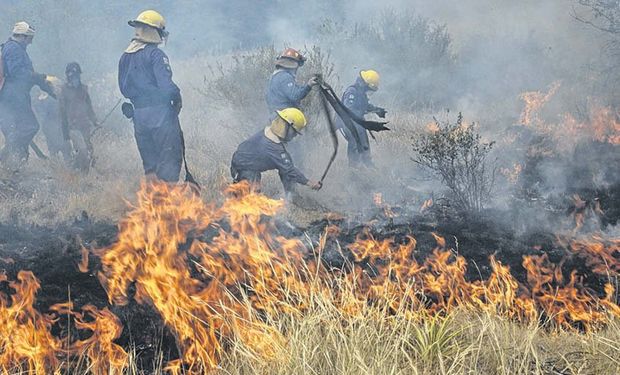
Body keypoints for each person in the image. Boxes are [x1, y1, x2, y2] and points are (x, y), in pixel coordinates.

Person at [118, 10, 183, 182]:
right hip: (159, 115)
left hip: (139, 117)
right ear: (154, 31)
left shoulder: (125, 56)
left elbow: (123, 89)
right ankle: (166, 205)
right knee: (169, 160)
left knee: (150, 166)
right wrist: (177, 96)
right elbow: (166, 86)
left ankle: (152, 205)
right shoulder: (155, 54)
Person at [0, 21, 56, 169]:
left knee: (20, 135)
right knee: (30, 126)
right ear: (22, 37)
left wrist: (47, 86)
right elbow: (17, 73)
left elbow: (27, 76)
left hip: (15, 98)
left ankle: (16, 172)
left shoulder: (15, 48)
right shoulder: (13, 49)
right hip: (11, 99)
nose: (30, 42)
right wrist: (40, 77)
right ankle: (4, 156)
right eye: (29, 38)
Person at [231, 107, 321, 196]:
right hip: (244, 171)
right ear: (288, 127)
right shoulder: (274, 148)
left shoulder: (268, 131)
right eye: (294, 133)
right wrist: (310, 183)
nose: (293, 136)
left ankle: (292, 196)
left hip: (242, 165)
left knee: (285, 170)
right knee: (251, 198)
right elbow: (290, 171)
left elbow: (286, 168)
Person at [265, 48, 319, 168]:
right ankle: (296, 181)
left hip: (278, 120)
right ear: (293, 65)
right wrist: (308, 85)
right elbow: (295, 95)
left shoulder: (276, 77)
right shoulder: (285, 77)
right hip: (286, 123)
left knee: (287, 155)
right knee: (294, 156)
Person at [338, 69, 387, 167]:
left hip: (357, 123)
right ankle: (354, 167)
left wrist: (376, 110)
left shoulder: (361, 93)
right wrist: (361, 113)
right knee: (355, 142)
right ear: (364, 84)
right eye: (369, 89)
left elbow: (364, 105)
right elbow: (349, 109)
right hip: (348, 123)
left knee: (364, 142)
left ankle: (367, 164)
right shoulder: (352, 92)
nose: (369, 92)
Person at [59, 62, 98, 172]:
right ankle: (76, 171)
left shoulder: (84, 90)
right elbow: (62, 112)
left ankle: (85, 173)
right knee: (82, 149)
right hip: (73, 127)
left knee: (89, 151)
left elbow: (89, 107)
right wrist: (65, 132)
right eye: (72, 76)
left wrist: (95, 121)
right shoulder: (64, 91)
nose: (75, 79)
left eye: (77, 76)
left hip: (85, 125)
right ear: (68, 77)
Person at [32, 89, 71, 162]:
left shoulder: (48, 101)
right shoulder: (43, 102)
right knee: (56, 152)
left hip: (57, 130)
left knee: (62, 151)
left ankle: (63, 167)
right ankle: (59, 167)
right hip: (52, 130)